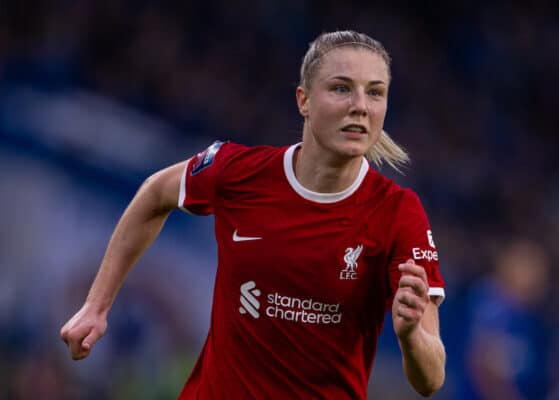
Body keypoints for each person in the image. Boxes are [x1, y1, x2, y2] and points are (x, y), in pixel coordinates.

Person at [60, 30, 446, 399]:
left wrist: (411, 336)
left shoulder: (398, 213)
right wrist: (97, 305)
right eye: (341, 88)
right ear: (304, 100)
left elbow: (431, 378)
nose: (360, 105)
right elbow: (156, 192)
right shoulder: (237, 172)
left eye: (375, 92)